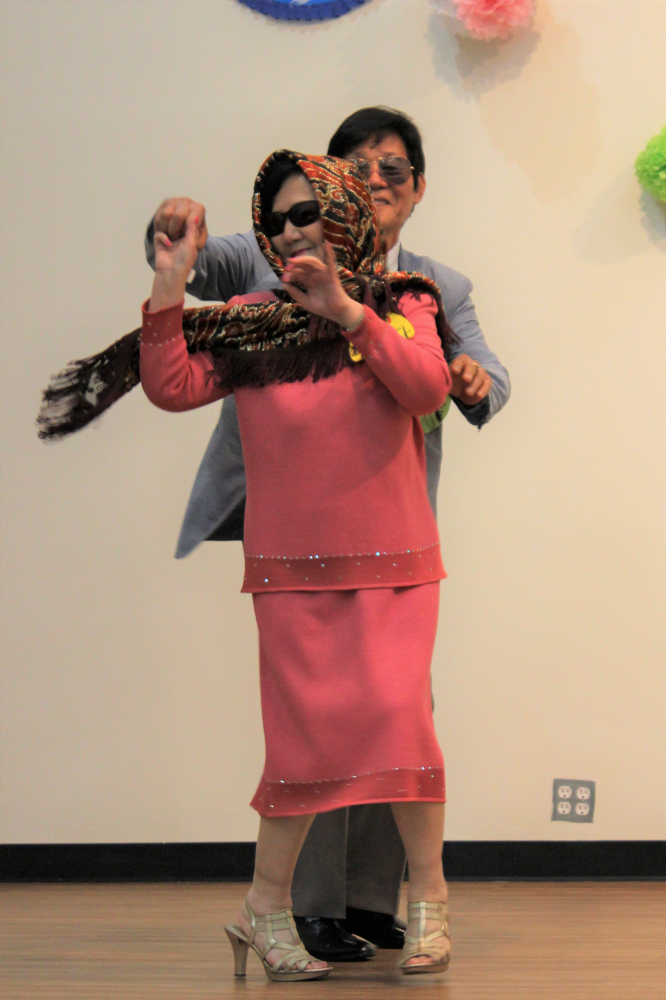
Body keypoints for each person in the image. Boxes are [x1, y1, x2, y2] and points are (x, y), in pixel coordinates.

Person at [143, 107, 511, 963]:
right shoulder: (252, 316)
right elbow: (171, 386)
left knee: (403, 729)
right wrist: (168, 281)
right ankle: (267, 911)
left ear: (345, 210)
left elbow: (427, 390)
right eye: (276, 221)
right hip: (291, 570)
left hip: (398, 564)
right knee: (302, 746)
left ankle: (428, 903)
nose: (290, 231)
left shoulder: (408, 301)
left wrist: (349, 311)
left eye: (308, 212)